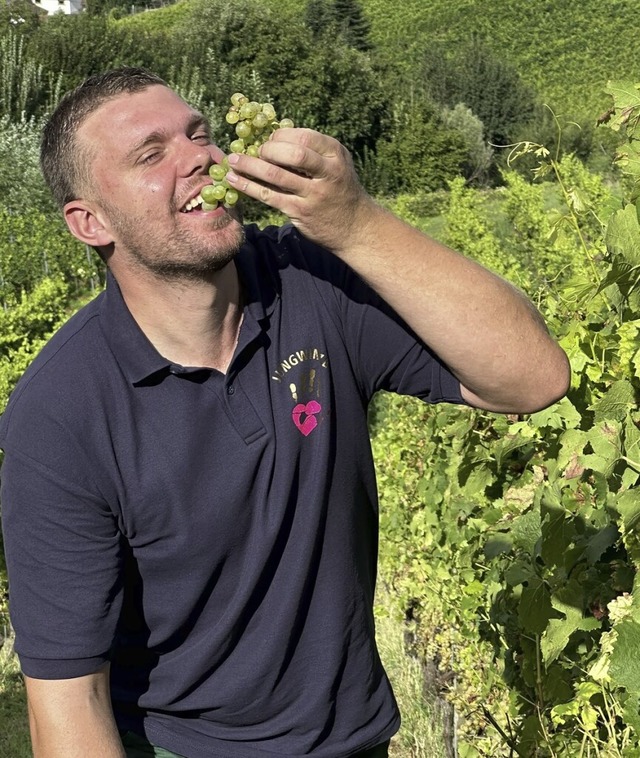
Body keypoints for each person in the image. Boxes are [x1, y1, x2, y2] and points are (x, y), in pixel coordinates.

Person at [0, 67, 570, 758]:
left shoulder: (313, 283)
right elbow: (66, 698)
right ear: (90, 222)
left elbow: (531, 378)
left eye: (200, 134)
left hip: (357, 742)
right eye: (151, 155)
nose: (201, 157)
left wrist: (356, 222)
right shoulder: (61, 413)